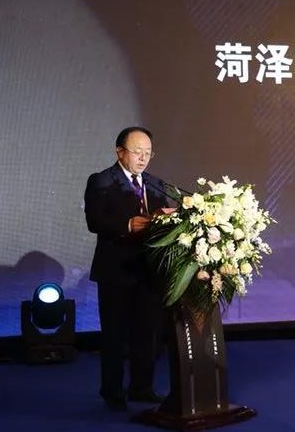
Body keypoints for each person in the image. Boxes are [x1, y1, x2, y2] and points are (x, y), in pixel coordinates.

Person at [84, 126, 175, 411]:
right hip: (116, 270)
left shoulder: (156, 184)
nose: (143, 158)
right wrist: (127, 225)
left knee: (147, 333)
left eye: (148, 153)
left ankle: (142, 388)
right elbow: (95, 221)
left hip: (148, 271)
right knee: (115, 334)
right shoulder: (101, 181)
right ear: (120, 152)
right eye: (137, 152)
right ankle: (112, 391)